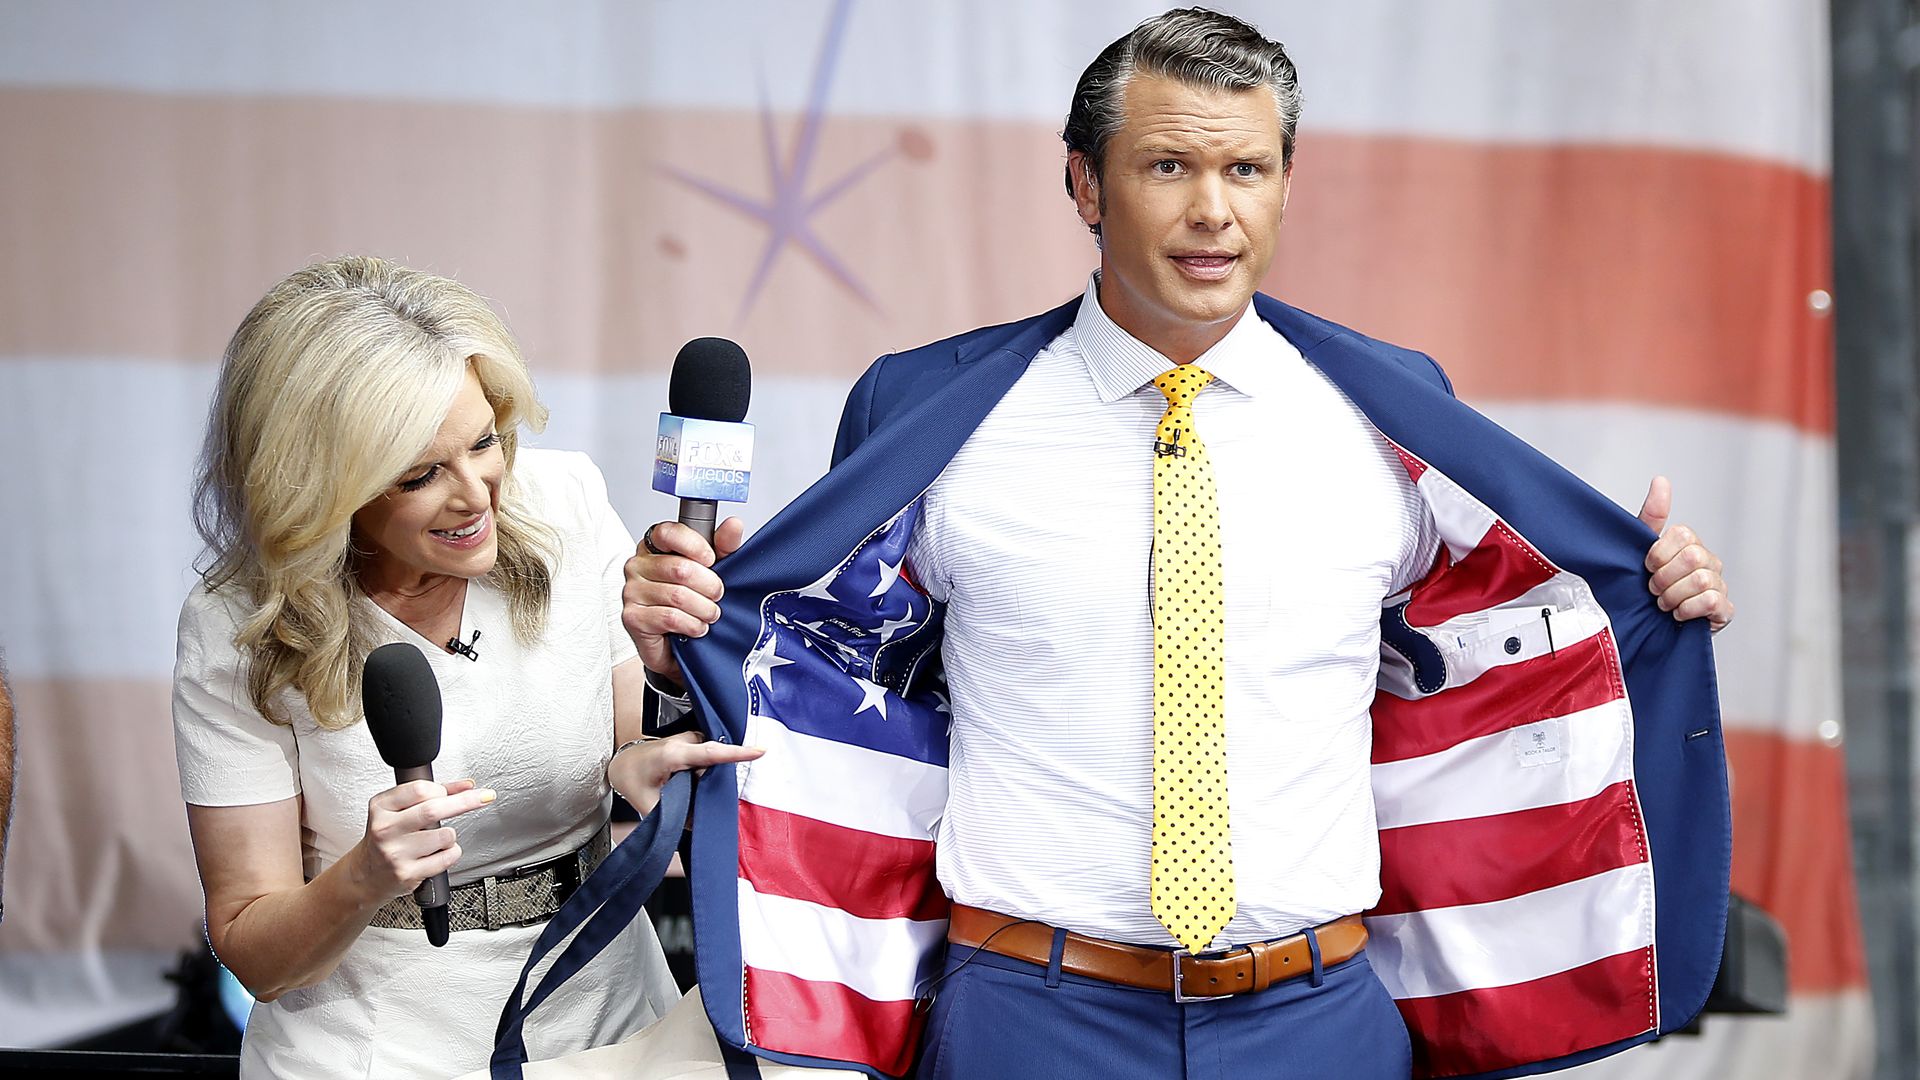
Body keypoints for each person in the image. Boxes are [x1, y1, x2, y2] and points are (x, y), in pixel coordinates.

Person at [622, 9, 1734, 1080]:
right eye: (1167, 168)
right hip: (1029, 1017)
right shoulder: (927, 410)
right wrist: (686, 656)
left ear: (1288, 183)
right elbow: (823, 679)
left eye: (1245, 170)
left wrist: (1639, 600)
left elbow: (1485, 666)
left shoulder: (1398, 415)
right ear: (1082, 183)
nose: (1214, 211)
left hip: (1322, 1020)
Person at [171, 256, 760, 1079]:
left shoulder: (563, 502)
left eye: (484, 441)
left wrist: (660, 722)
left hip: (611, 1020)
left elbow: (631, 737)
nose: (477, 493)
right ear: (320, 493)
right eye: (419, 475)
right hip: (368, 1048)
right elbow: (257, 955)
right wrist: (365, 875)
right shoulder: (236, 623)